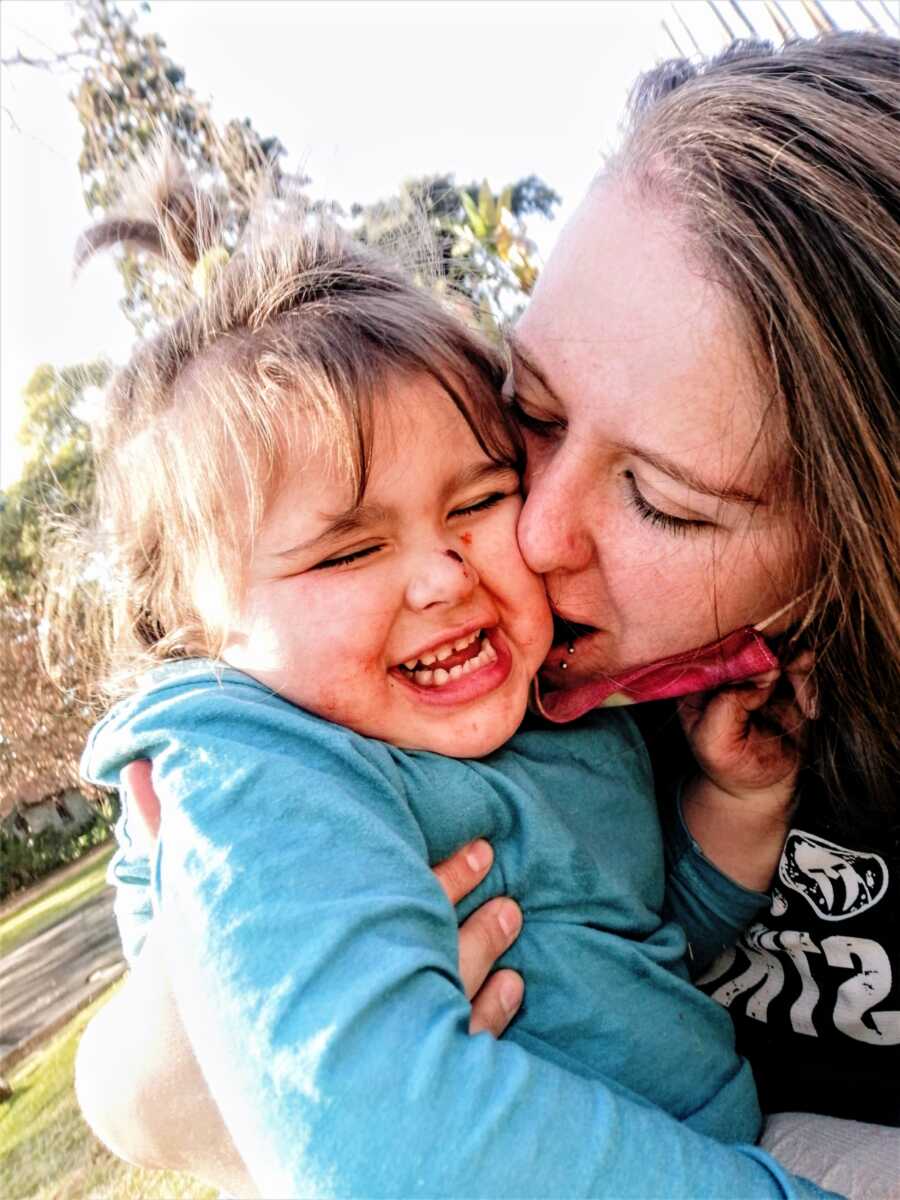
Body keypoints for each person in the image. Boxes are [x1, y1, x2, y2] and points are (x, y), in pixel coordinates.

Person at [76, 28, 899, 1198]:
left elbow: (641, 938)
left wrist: (735, 804)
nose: (516, 546)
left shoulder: (585, 722)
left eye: (661, 499)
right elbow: (339, 1129)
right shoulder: (291, 745)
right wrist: (181, 1051)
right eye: (535, 416)